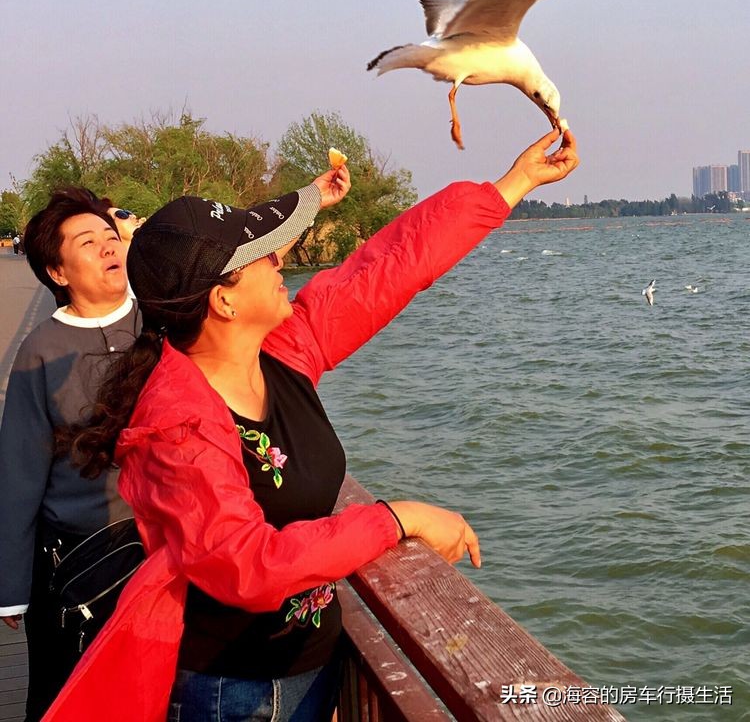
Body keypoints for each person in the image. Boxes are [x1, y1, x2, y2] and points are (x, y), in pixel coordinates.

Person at [46, 128, 578, 722]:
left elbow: (390, 269)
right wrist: (396, 518)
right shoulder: (176, 424)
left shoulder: (282, 352)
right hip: (233, 693)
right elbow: (247, 563)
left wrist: (515, 183)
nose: (280, 260)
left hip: (314, 669)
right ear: (222, 301)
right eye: (261, 254)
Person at [0, 187, 139, 721]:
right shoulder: (40, 351)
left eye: (111, 237)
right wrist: (11, 586)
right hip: (79, 560)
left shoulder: (159, 320)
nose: (108, 248)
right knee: (72, 697)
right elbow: (19, 473)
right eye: (88, 242)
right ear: (58, 273)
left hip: (161, 550)